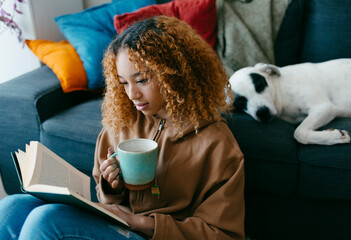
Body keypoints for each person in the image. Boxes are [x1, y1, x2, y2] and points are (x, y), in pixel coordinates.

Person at [0, 16, 245, 240]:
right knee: (11, 207)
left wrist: (140, 222)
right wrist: (110, 187)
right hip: (119, 224)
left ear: (175, 74)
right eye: (123, 83)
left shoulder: (216, 142)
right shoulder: (123, 120)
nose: (132, 94)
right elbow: (103, 192)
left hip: (153, 235)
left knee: (46, 221)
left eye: (142, 80)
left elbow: (223, 234)